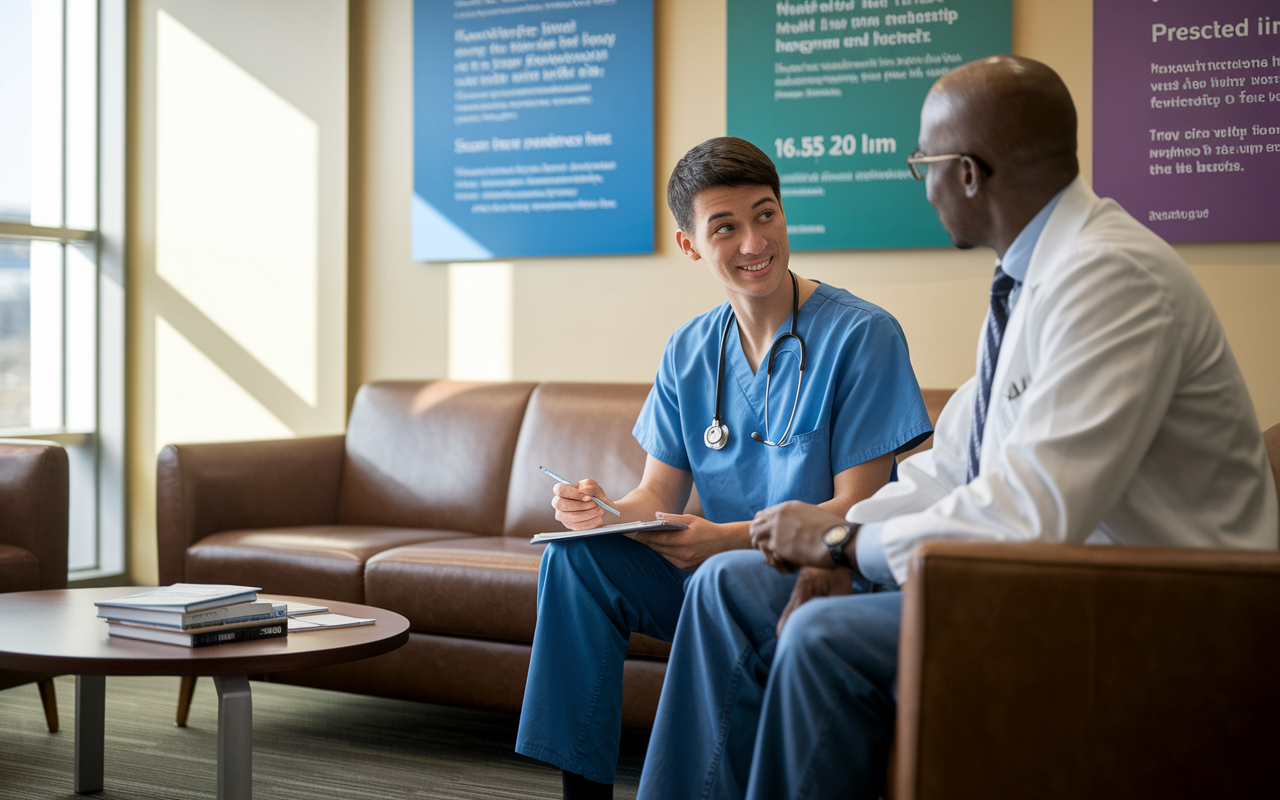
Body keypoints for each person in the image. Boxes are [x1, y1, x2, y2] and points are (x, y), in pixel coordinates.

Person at [636, 56, 1280, 800]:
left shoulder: (1112, 279)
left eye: (925, 163)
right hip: (1053, 579)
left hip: (1158, 610)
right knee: (726, 586)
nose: (925, 182)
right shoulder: (1032, 275)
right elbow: (951, 465)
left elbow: (1034, 512)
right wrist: (840, 545)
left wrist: (846, 542)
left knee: (821, 640)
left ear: (968, 175)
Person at [514, 137, 934, 800]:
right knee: (574, 561)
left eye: (765, 215)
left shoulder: (862, 335)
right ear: (689, 245)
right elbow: (657, 492)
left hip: (819, 578)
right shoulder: (689, 347)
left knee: (720, 575)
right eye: (725, 227)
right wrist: (601, 515)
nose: (753, 243)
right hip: (716, 571)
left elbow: (857, 509)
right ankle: (581, 793)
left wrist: (723, 538)